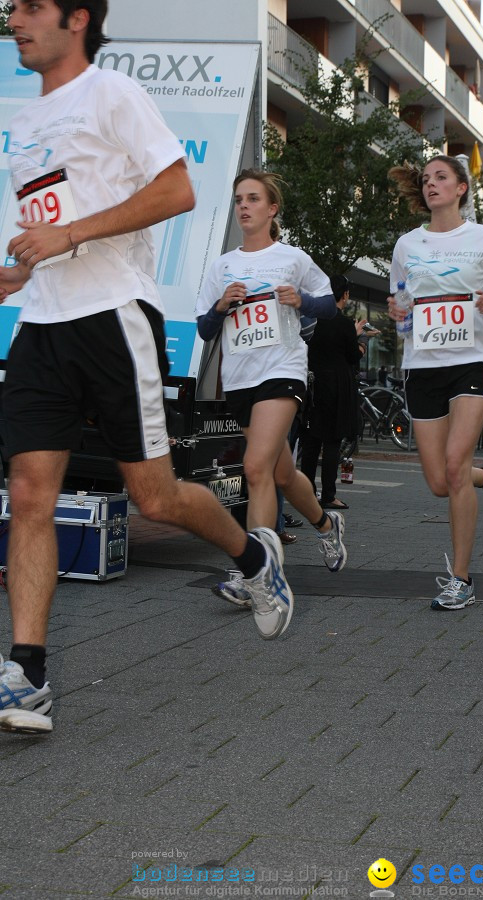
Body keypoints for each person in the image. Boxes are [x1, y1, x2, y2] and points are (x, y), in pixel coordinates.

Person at [0, 0, 296, 736]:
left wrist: (69, 234)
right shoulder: (24, 124)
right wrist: (15, 270)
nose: (15, 20)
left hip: (113, 317)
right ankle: (27, 671)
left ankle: (254, 559)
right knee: (31, 492)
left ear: (76, 19)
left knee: (155, 497)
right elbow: (38, 233)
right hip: (41, 322)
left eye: (31, 7)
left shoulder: (112, 93)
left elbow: (177, 190)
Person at [388, 156, 483, 610]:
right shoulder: (406, 244)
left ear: (461, 188)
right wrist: (399, 314)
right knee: (440, 481)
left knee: (455, 464)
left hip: (471, 362)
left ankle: (461, 579)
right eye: (427, 179)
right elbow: (399, 306)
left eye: (441, 177)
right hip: (422, 365)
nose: (431, 184)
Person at [196, 169, 348, 609]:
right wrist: (223, 306)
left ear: (271, 208)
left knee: (256, 468)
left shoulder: (292, 258)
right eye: (239, 199)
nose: (244, 206)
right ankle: (326, 525)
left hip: (283, 368)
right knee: (280, 472)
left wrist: (302, 301)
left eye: (253, 199)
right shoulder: (223, 266)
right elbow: (205, 329)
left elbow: (330, 307)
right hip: (241, 378)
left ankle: (258, 575)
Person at [300, 274, 365, 510]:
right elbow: (352, 356)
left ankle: (306, 493)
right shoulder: (344, 323)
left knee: (311, 442)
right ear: (344, 294)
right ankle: (328, 495)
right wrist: (361, 342)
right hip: (337, 387)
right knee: (332, 442)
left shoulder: (311, 320)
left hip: (313, 385)